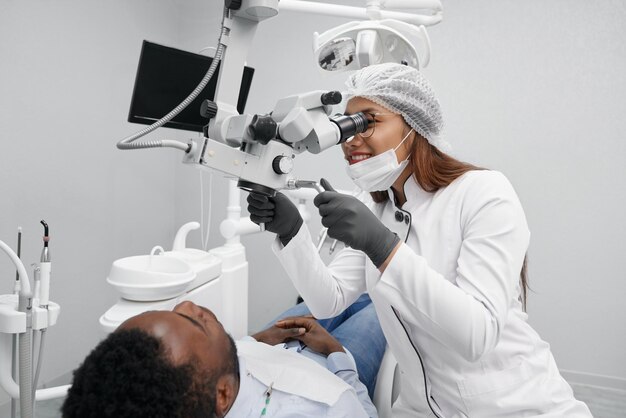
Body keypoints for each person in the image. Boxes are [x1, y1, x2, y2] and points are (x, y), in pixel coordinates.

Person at [247, 63, 592, 417]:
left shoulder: (483, 192)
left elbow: (477, 335)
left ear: (412, 124)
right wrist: (291, 232)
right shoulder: (376, 205)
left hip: (516, 406)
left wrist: (383, 247)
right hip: (420, 408)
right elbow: (329, 301)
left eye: (368, 121)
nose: (350, 139)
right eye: (345, 126)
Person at [61, 300, 379, 418]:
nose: (188, 304)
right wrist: (337, 354)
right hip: (335, 367)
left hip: (270, 344)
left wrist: (256, 342)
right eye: (196, 322)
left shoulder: (199, 387)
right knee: (381, 303)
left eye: (174, 310)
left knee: (339, 297)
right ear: (223, 395)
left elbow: (215, 364)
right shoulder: (331, 409)